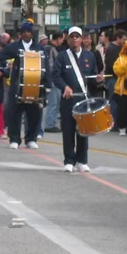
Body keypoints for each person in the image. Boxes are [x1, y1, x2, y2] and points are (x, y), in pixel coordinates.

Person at [52, 26, 102, 173]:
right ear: (68, 39)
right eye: (72, 36)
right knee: (68, 131)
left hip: (84, 99)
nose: (75, 39)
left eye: (77, 36)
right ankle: (69, 160)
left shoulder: (89, 56)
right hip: (68, 99)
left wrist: (98, 79)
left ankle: (82, 160)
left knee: (83, 131)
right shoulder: (62, 56)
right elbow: (55, 75)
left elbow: (91, 79)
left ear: (82, 39)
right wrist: (64, 87)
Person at [0, 21, 50, 150]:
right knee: (14, 112)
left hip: (35, 85)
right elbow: (0, 55)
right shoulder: (14, 47)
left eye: (28, 31)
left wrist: (47, 83)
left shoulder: (39, 48)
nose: (26, 34)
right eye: (24, 32)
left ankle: (31, 139)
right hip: (17, 84)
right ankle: (14, 139)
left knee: (34, 113)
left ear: (32, 33)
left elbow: (45, 66)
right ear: (21, 34)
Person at [104, 30, 127, 131]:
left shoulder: (119, 48)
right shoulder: (113, 49)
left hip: (117, 78)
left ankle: (115, 122)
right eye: (123, 39)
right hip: (113, 78)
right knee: (114, 100)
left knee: (116, 100)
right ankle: (113, 123)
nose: (124, 41)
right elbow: (111, 65)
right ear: (118, 38)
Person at [44, 32, 64, 133]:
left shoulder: (49, 48)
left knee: (55, 102)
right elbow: (50, 66)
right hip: (53, 80)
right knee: (53, 102)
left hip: (52, 79)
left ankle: (51, 123)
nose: (62, 41)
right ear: (59, 38)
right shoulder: (50, 49)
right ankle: (50, 124)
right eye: (62, 39)